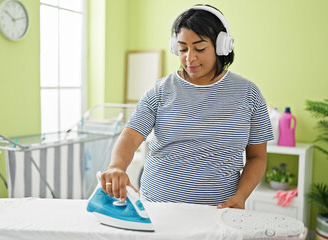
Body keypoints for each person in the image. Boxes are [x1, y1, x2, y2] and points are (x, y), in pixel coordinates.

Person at [100, 4, 273, 209]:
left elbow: (257, 157)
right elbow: (130, 137)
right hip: (158, 209)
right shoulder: (160, 91)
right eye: (182, 49)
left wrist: (241, 196)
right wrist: (116, 167)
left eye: (200, 48)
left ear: (221, 46)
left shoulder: (249, 94)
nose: (189, 58)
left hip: (219, 211)